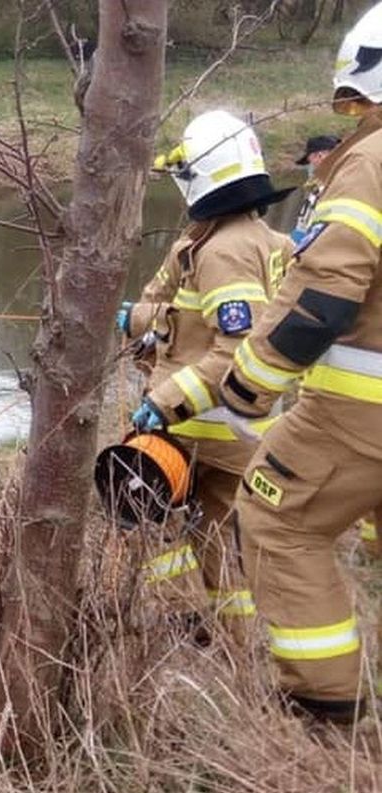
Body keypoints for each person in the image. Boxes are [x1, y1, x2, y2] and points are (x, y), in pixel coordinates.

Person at [217, 1, 382, 723]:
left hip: (360, 413)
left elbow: (326, 294)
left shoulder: (372, 163)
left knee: (277, 518)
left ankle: (326, 711)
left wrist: (250, 384)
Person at [120, 110, 294, 634]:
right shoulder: (258, 240)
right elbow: (191, 323)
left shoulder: (224, 251)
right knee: (219, 539)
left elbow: (236, 351)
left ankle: (174, 626)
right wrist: (145, 325)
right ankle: (232, 644)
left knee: (154, 526)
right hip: (237, 430)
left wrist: (162, 403)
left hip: (197, 431)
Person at [289, 134, 342, 243]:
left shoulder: (335, 188)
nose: (310, 167)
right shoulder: (316, 190)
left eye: (309, 161)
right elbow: (302, 228)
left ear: (320, 156)